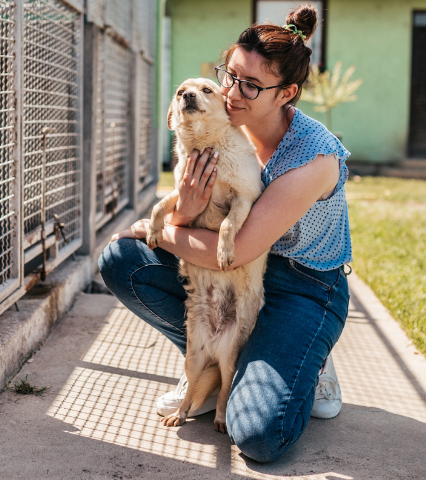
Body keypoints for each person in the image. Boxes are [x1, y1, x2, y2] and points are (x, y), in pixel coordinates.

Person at [98, 4, 350, 463]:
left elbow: (230, 253)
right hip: (232, 277)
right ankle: (212, 367)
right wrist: (181, 214)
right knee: (119, 259)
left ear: (287, 92)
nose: (232, 92)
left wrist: (155, 229)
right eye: (229, 75)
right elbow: (197, 220)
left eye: (250, 85)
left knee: (256, 435)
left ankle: (308, 361)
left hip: (302, 286)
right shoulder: (222, 125)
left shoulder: (313, 160)